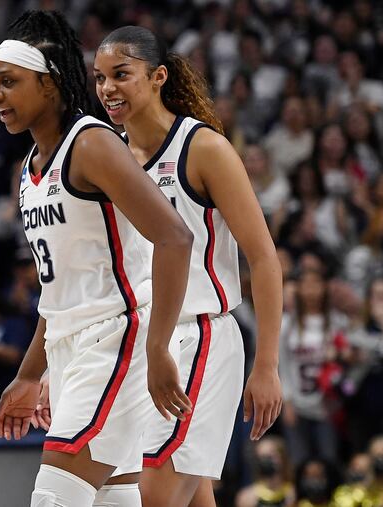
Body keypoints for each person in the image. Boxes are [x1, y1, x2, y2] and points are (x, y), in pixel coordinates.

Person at [0, 11, 194, 507]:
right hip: (70, 347)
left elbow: (174, 238)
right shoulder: (30, 168)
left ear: (50, 84)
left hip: (116, 340)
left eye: (10, 82)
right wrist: (30, 372)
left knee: (54, 500)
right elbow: (57, 290)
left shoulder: (92, 143)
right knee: (112, 500)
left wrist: (159, 346)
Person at [90, 25, 283, 507]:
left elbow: (262, 257)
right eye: (99, 78)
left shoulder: (203, 149)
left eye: (121, 74)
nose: (107, 88)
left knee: (151, 497)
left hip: (199, 338)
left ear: (157, 77)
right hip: (137, 344)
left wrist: (267, 365)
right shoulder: (106, 152)